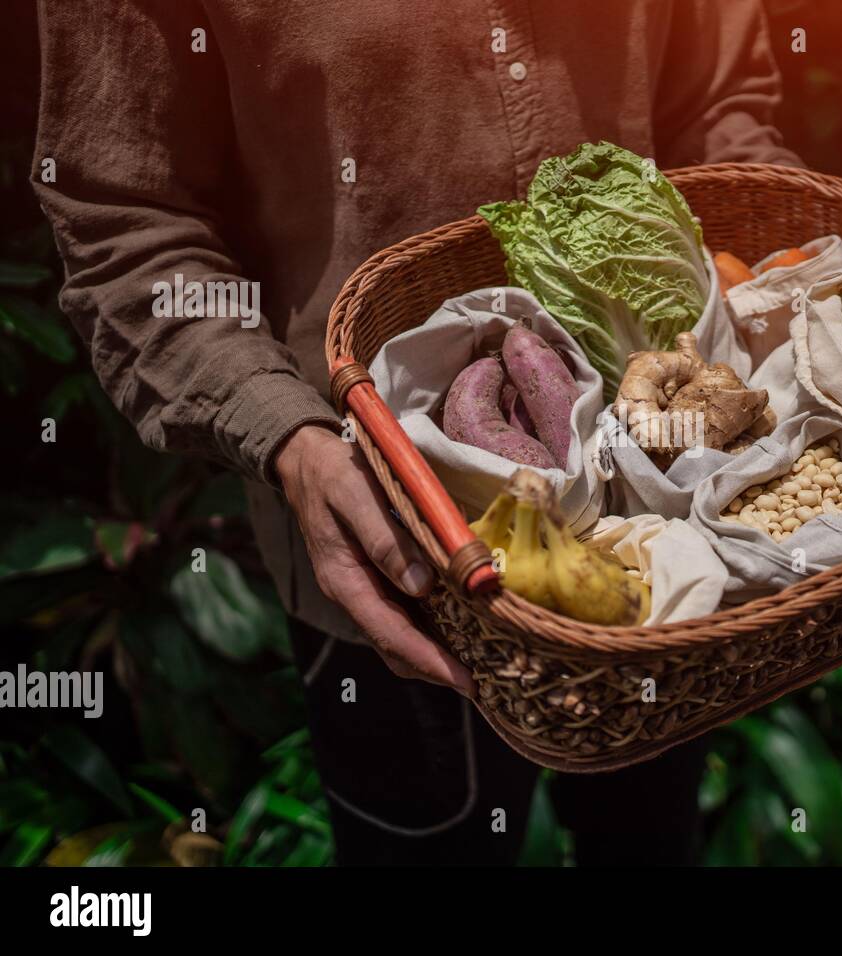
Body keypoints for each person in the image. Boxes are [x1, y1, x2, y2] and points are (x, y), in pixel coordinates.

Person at [33, 0, 801, 865]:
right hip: (393, 552)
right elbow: (124, 216)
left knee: (650, 836)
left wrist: (787, 278)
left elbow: (717, 107)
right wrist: (289, 439)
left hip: (676, 536)